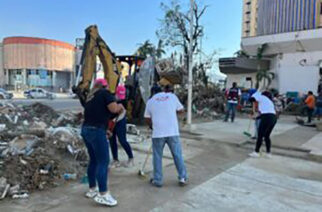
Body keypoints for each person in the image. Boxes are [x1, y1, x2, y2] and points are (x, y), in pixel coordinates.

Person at [81, 78, 124, 207]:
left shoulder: (90, 97)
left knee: (94, 160)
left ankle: (92, 189)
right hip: (95, 131)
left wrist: (105, 129)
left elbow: (98, 114)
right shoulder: (105, 94)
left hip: (86, 130)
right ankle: (103, 194)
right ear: (105, 86)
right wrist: (120, 106)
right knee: (103, 162)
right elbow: (113, 109)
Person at [144, 85, 188, 187]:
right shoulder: (172, 97)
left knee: (157, 157)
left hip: (158, 133)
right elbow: (181, 110)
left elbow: (146, 118)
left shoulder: (150, 101)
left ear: (152, 93)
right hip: (172, 132)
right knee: (177, 155)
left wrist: (151, 126)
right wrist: (171, 112)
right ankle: (182, 177)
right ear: (162, 90)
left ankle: (158, 180)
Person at [109, 84, 134, 168]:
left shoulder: (124, 100)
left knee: (122, 140)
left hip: (120, 121)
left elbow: (123, 113)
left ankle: (131, 158)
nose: (120, 98)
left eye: (122, 96)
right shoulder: (110, 98)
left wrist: (114, 121)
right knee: (112, 140)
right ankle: (115, 160)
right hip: (111, 121)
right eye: (119, 96)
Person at [249, 91, 277, 158]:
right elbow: (266, 113)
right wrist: (256, 118)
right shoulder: (269, 101)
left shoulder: (261, 97)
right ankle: (268, 153)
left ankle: (256, 152)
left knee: (260, 135)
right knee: (267, 136)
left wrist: (255, 93)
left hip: (267, 117)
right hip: (273, 118)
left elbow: (251, 99)